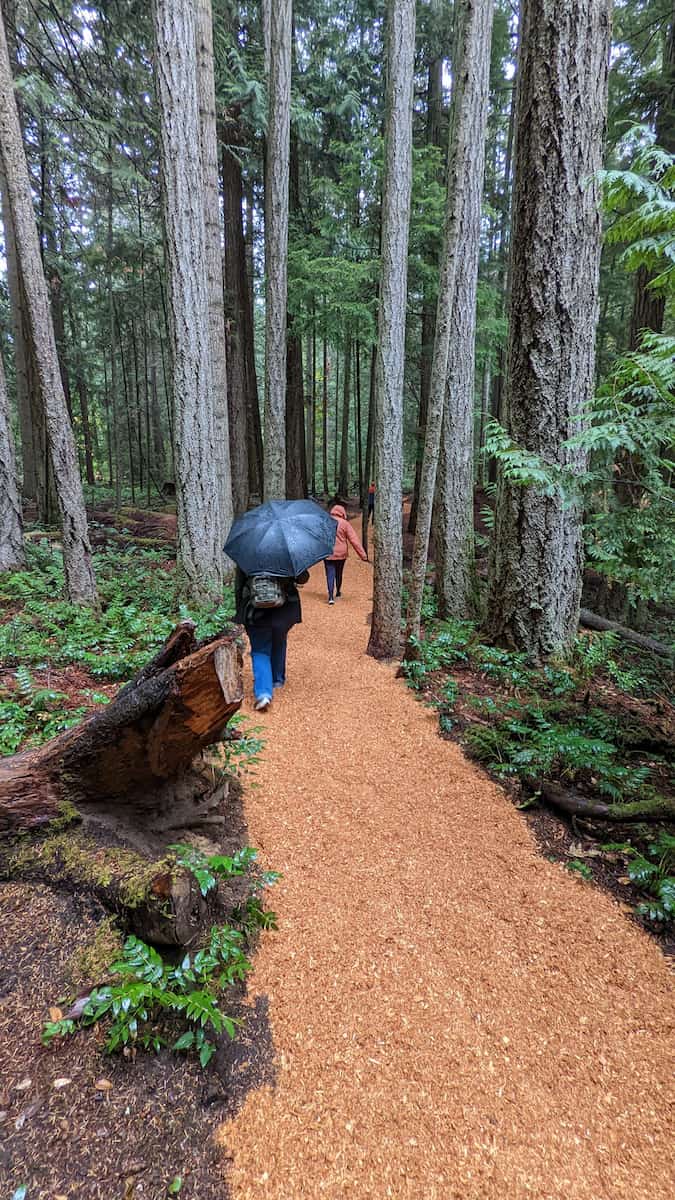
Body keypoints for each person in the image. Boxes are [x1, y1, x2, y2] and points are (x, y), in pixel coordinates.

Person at [235, 567, 309, 711]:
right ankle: (277, 679)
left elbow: (239, 585)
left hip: (255, 611)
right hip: (284, 610)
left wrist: (239, 611)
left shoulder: (247, 554)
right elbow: (303, 578)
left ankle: (264, 694)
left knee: (260, 650)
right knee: (279, 640)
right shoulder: (287, 551)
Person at [324, 504, 367, 605]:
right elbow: (354, 540)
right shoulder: (345, 524)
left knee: (330, 574)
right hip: (341, 554)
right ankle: (338, 592)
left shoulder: (326, 522)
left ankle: (330, 597)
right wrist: (363, 555)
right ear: (342, 513)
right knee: (339, 573)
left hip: (328, 553)